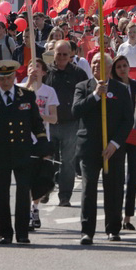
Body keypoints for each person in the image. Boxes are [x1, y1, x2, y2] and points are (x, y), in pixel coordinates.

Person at [0, 61, 50, 244]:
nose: (6, 81)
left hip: (23, 151)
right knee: (1, 195)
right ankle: (5, 233)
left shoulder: (27, 96)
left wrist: (43, 147)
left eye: (9, 77)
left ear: (14, 77)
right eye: (2, 78)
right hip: (0, 153)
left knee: (23, 193)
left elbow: (37, 124)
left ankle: (22, 233)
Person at [72, 53, 132, 245]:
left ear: (110, 66)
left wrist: (115, 144)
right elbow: (76, 110)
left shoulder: (121, 89)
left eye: (102, 63)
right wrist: (96, 95)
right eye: (94, 62)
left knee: (113, 188)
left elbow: (127, 120)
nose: (98, 65)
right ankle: (87, 231)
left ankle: (113, 229)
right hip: (89, 146)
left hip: (112, 148)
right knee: (89, 189)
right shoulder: (83, 87)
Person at [45, 40, 89, 207]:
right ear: (53, 53)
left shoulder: (79, 74)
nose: (62, 57)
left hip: (71, 124)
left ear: (71, 54)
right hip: (49, 124)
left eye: (65, 54)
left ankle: (65, 196)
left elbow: (85, 97)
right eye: (59, 54)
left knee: (68, 162)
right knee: (48, 160)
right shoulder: (46, 72)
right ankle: (45, 190)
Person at [110, 55, 136, 232]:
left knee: (132, 177)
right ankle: (115, 215)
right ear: (114, 70)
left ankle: (128, 217)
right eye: (119, 67)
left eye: (125, 65)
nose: (122, 69)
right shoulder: (113, 87)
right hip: (118, 138)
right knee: (117, 177)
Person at [20, 59, 58, 231]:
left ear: (43, 72)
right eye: (29, 67)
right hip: (23, 140)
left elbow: (54, 118)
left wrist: (37, 115)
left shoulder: (49, 91)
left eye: (37, 67)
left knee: (39, 179)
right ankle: (28, 213)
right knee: (26, 179)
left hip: (42, 139)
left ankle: (35, 208)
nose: (33, 70)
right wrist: (28, 84)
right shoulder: (20, 87)